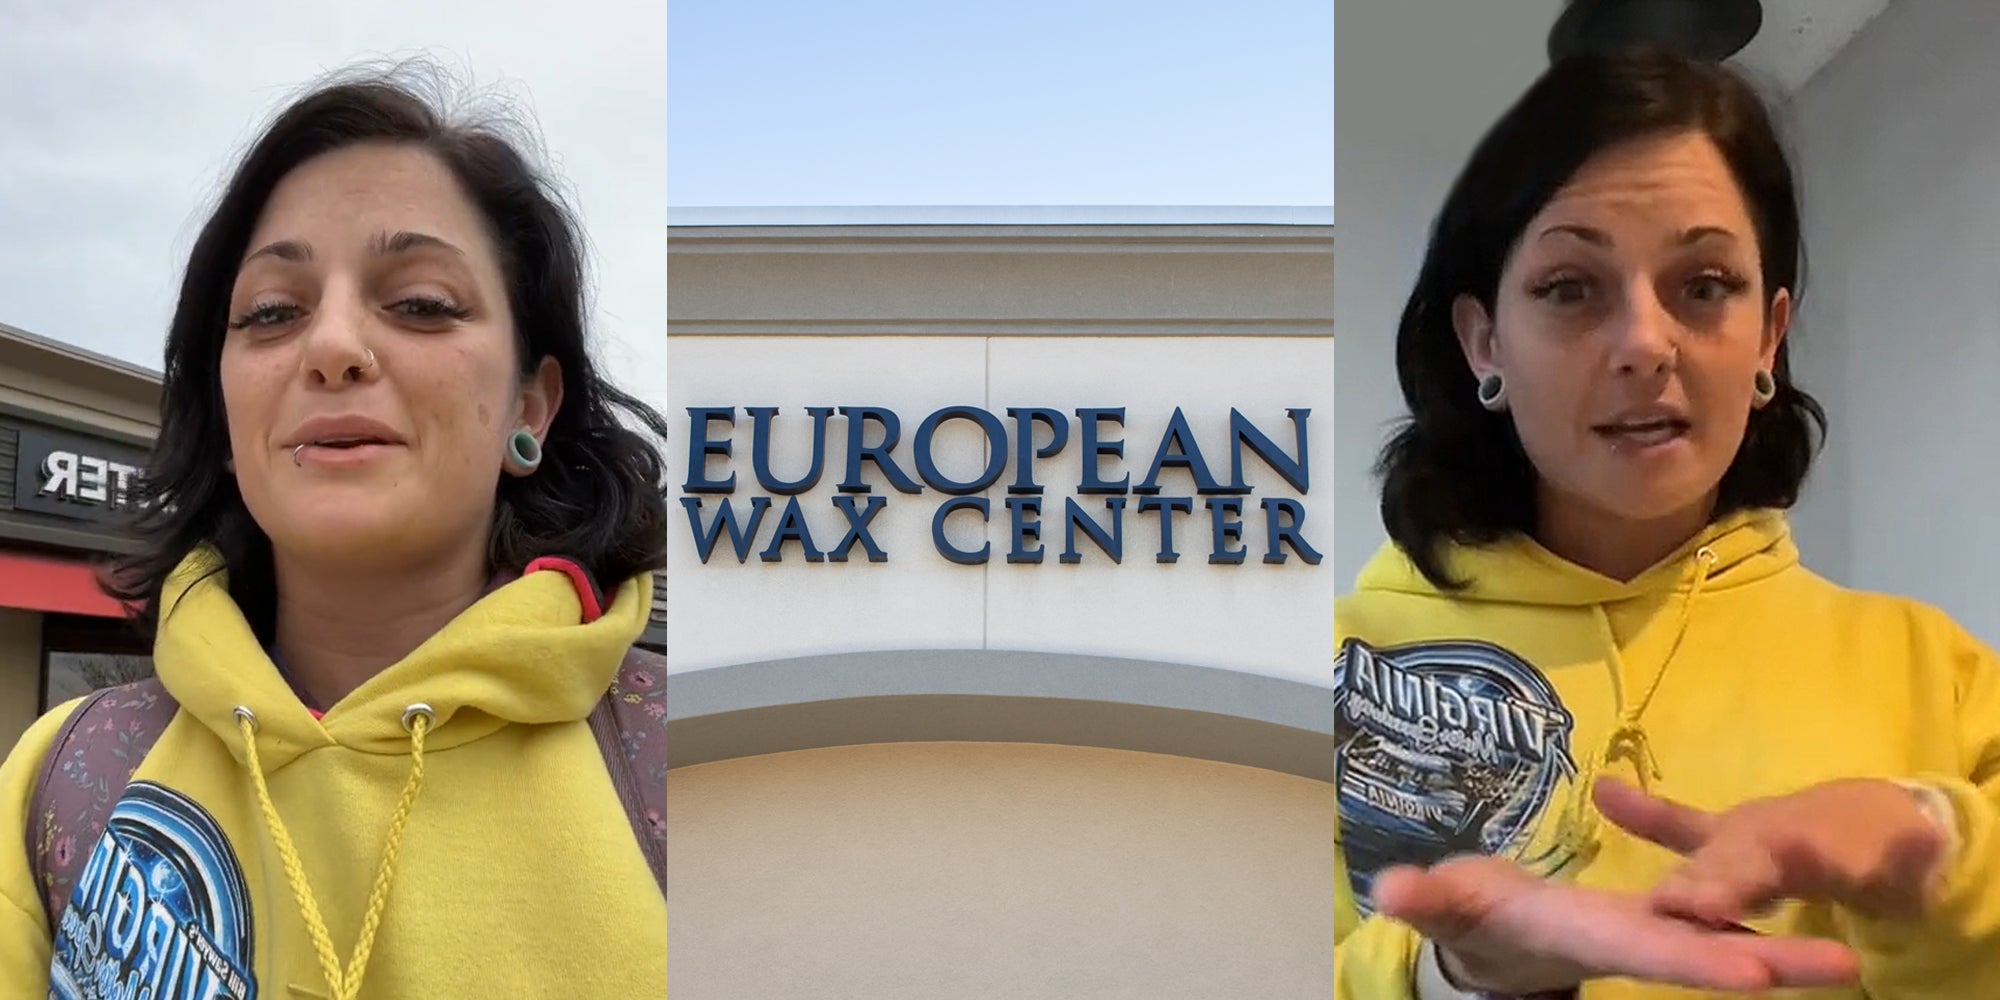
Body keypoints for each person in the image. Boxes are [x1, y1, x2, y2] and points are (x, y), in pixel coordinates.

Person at [1334, 47, 2000, 1000]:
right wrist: (1455, 973)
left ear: (1768, 335)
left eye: (1704, 285)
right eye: (1571, 287)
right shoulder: (1334, 671)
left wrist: (1935, 859)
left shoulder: (1935, 675)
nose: (1646, 343)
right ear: (1484, 340)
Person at [0, 64, 669, 997]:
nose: (331, 347)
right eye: (273, 313)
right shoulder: (61, 779)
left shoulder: (682, 768)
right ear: (227, 419)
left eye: (422, 304)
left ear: (533, 404)